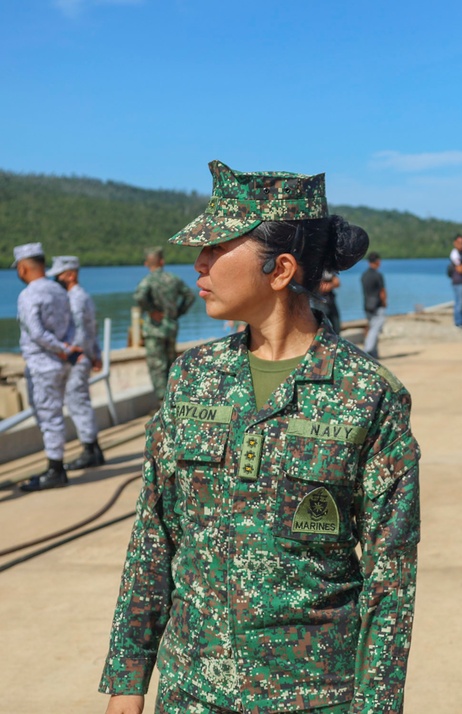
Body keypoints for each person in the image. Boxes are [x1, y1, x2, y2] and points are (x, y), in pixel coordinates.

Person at [100, 160, 420, 714]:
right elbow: (153, 534)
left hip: (313, 696)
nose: (199, 262)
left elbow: (390, 577)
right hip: (191, 690)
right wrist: (128, 684)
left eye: (218, 246)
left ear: (280, 270)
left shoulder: (370, 395)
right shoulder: (192, 379)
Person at [13, 243, 80, 492]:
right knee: (53, 414)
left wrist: (60, 347)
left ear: (22, 268)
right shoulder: (58, 289)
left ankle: (55, 470)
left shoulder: (29, 294)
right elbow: (71, 324)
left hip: (43, 364)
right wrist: (68, 348)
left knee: (48, 416)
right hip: (61, 363)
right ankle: (55, 466)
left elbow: (36, 332)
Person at [47, 255, 105, 470]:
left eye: (59, 276)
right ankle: (94, 450)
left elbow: (80, 329)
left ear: (70, 275)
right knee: (80, 401)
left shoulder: (74, 298)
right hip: (84, 356)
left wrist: (75, 352)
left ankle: (90, 450)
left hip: (76, 358)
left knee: (77, 402)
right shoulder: (83, 296)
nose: (56, 280)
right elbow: (93, 328)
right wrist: (95, 353)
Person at [133, 246, 196, 403]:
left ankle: (163, 402)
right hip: (171, 326)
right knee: (170, 363)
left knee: (157, 366)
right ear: (162, 261)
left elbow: (140, 296)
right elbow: (189, 296)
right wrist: (177, 313)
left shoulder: (148, 280)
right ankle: (173, 399)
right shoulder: (173, 279)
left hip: (155, 328)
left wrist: (151, 310)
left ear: (147, 263)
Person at [361, 251, 387, 359]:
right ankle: (367, 350)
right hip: (377, 305)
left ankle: (374, 353)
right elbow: (382, 291)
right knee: (375, 328)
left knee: (372, 326)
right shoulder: (378, 275)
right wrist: (384, 302)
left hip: (367, 305)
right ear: (377, 261)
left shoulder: (364, 275)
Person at [448, 234, 462, 328]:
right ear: (455, 243)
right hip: (457, 281)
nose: (461, 245)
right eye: (459, 243)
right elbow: (459, 269)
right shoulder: (455, 254)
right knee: (460, 302)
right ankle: (458, 322)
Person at [316, 269, 342, 334]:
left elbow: (337, 283)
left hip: (330, 301)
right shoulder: (314, 269)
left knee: (336, 326)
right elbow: (320, 287)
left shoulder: (329, 269)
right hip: (317, 302)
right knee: (320, 327)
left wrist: (330, 285)